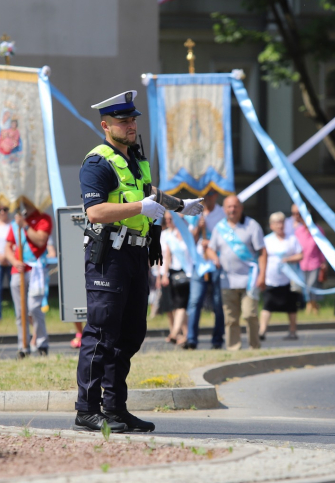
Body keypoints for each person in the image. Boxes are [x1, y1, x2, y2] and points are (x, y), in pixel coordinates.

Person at [74, 89, 203, 434]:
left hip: (135, 254)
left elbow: (150, 194)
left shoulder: (135, 159)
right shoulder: (98, 162)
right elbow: (95, 211)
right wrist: (139, 208)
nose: (131, 125)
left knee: (130, 334)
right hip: (109, 256)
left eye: (133, 119)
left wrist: (180, 205)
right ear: (106, 125)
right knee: (102, 333)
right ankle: (86, 410)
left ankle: (115, 409)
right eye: (123, 120)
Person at [206, 196, 266, 350]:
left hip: (249, 279)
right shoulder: (220, 228)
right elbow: (210, 249)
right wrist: (215, 259)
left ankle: (254, 347)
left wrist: (262, 275)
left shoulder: (252, 226)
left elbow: (263, 252)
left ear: (241, 208)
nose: (232, 210)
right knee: (231, 318)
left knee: (249, 315)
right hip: (227, 280)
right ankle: (234, 349)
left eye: (235, 207)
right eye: (229, 207)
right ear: (224, 209)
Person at [5, 200, 52, 356]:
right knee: (20, 312)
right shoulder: (14, 224)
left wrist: (25, 225)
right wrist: (14, 261)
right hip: (18, 270)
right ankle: (23, 346)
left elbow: (40, 241)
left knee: (34, 308)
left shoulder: (44, 219)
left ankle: (41, 343)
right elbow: (7, 247)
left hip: (36, 269)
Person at [183, 191, 226, 350]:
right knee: (194, 301)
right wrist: (197, 229)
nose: (208, 198)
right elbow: (191, 240)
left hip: (216, 262)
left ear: (215, 195)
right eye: (205, 195)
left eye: (211, 195)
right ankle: (191, 339)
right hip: (199, 263)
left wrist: (212, 245)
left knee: (217, 302)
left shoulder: (221, 213)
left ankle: (217, 340)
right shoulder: (196, 213)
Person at [259, 212, 303, 340]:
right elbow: (262, 257)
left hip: (289, 278)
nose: (279, 225)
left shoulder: (292, 239)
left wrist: (288, 259)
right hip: (271, 279)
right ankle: (262, 331)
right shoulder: (267, 240)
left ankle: (293, 331)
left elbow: (301, 255)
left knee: (291, 306)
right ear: (271, 225)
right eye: (276, 223)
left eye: (281, 222)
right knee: (268, 304)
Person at [160, 212, 191, 346]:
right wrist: (164, 274)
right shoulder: (166, 235)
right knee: (175, 305)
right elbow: (167, 256)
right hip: (173, 274)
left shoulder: (187, 233)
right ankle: (183, 334)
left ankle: (175, 333)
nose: (168, 221)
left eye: (171, 219)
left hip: (187, 273)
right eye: (166, 219)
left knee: (181, 305)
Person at [293, 211, 327, 316]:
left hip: (315, 262)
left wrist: (323, 262)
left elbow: (322, 247)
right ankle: (314, 306)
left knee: (312, 286)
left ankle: (310, 307)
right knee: (305, 287)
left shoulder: (318, 230)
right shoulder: (298, 231)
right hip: (302, 263)